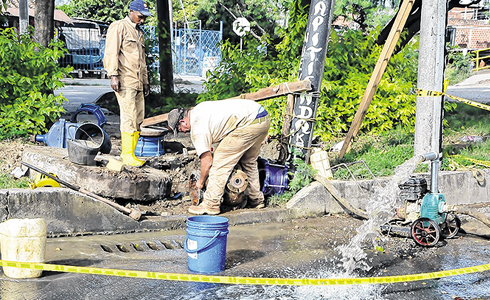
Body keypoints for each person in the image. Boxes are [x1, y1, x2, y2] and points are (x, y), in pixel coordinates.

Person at [167, 99, 270, 215]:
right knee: (249, 162)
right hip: (262, 118)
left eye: (180, 129)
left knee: (220, 164)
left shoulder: (197, 128)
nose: (184, 133)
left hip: (247, 123)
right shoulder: (199, 109)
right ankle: (256, 200)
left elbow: (207, 162)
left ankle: (210, 204)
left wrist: (201, 182)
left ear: (183, 121)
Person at [103, 0, 151, 167]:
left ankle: (132, 154)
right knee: (129, 117)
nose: (142, 20)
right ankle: (127, 155)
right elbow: (111, 52)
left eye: (144, 17)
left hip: (138, 81)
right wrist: (113, 75)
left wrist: (145, 81)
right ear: (131, 11)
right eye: (140, 16)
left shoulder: (139, 33)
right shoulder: (119, 27)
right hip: (125, 80)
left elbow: (142, 60)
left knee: (138, 118)